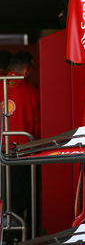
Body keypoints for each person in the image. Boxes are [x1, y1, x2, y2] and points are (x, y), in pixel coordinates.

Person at [0, 50, 40, 224]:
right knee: (21, 198)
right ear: (26, 71)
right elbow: (37, 129)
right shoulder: (31, 93)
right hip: (21, 155)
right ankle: (15, 230)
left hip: (0, 151)